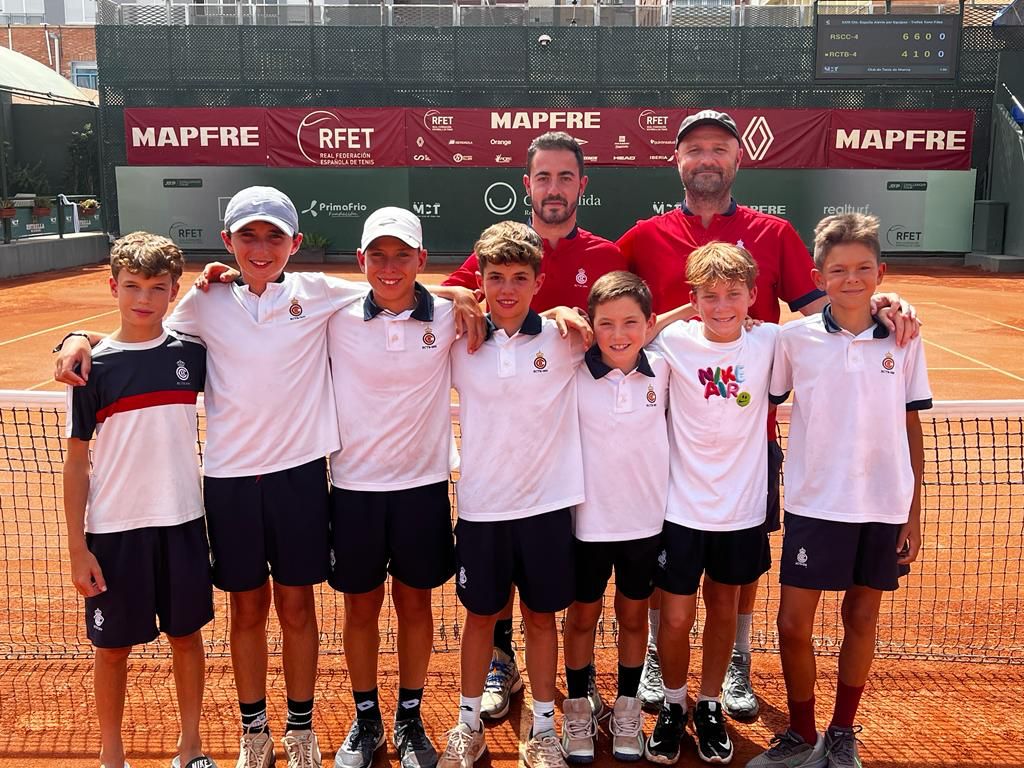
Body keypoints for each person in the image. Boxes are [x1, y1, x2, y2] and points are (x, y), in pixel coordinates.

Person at [616, 110, 916, 716]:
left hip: (752, 439)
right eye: (694, 149)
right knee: (671, 574)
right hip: (668, 449)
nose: (706, 159)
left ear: (736, 158)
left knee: (737, 565)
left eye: (718, 149)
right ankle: (657, 655)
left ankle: (734, 663)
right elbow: (617, 319)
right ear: (677, 161)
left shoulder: (773, 234)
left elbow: (825, 317)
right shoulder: (641, 237)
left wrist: (884, 299)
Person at [443, 130, 624, 721]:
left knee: (557, 602)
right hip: (488, 492)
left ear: (581, 185)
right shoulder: (491, 261)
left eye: (564, 177)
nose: (553, 187)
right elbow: (433, 298)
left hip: (563, 479)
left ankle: (571, 691)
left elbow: (632, 322)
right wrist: (461, 302)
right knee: (489, 603)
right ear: (528, 185)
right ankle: (499, 666)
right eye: (542, 177)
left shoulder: (606, 256)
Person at [749, 213, 929, 768]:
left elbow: (911, 426)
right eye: (838, 270)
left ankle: (842, 732)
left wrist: (913, 512)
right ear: (817, 274)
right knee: (792, 623)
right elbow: (767, 405)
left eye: (862, 269)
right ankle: (802, 734)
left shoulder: (903, 338)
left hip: (882, 504)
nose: (851, 279)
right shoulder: (792, 339)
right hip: (813, 502)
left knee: (861, 619)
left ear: (881, 272)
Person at [61, 232, 215, 768]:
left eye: (156, 287)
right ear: (112, 287)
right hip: (115, 529)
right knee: (112, 649)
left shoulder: (191, 355)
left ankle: (190, 746)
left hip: (183, 522)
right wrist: (78, 549)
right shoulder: (90, 369)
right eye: (131, 286)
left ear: (174, 292)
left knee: (186, 637)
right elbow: (76, 462)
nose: (142, 299)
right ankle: (112, 755)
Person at [439, 221, 585, 768]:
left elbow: (635, 336)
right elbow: (393, 293)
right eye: (494, 277)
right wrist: (452, 292)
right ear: (479, 278)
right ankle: (468, 723)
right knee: (481, 618)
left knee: (542, 618)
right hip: (482, 506)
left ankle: (544, 728)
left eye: (519, 278)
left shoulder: (566, 337)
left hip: (547, 508)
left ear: (539, 282)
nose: (506, 289)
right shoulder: (460, 339)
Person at [325, 208, 460, 768]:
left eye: (402, 254)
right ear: (360, 261)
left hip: (422, 488)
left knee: (415, 606)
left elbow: (519, 311)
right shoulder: (332, 315)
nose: (389, 266)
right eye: (377, 255)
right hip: (353, 488)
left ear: (421, 260)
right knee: (360, 610)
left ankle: (408, 715)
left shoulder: (453, 315)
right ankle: (366, 717)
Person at [645, 243, 778, 766]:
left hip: (740, 511)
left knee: (723, 610)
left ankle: (708, 703)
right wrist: (684, 311)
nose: (722, 306)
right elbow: (638, 331)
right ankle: (673, 704)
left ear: (752, 295)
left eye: (733, 295)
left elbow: (828, 325)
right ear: (693, 298)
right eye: (709, 295)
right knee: (676, 620)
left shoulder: (770, 342)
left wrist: (890, 303)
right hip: (679, 509)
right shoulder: (675, 341)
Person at [561, 271, 669, 764]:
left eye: (631, 322)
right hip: (586, 524)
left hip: (644, 524)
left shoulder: (667, 370)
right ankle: (578, 706)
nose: (620, 334)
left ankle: (627, 706)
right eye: (606, 323)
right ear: (591, 325)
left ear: (650, 325)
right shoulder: (570, 370)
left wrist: (692, 311)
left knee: (632, 615)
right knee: (582, 616)